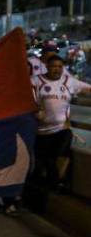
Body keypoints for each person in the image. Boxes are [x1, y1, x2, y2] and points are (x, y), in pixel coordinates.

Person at [32, 55, 91, 189]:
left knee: (61, 154)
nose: (57, 69)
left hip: (62, 129)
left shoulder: (69, 81)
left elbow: (88, 88)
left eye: (60, 66)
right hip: (41, 131)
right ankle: (51, 184)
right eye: (53, 66)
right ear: (47, 66)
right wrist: (35, 110)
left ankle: (57, 183)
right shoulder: (36, 81)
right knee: (45, 162)